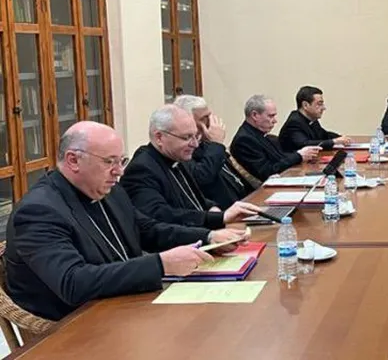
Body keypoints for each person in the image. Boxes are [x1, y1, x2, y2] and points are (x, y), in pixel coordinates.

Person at [4, 121, 247, 321]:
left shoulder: (108, 190)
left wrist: (209, 237)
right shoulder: (38, 211)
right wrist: (161, 264)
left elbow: (146, 229)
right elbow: (73, 282)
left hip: (126, 303)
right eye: (109, 161)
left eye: (121, 161)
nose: (119, 171)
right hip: (76, 327)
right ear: (73, 160)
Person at [121, 105, 261, 228]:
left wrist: (212, 207)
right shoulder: (142, 169)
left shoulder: (177, 157)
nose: (194, 144)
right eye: (186, 137)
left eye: (196, 136)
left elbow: (192, 198)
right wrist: (216, 218)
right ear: (159, 137)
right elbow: (161, 215)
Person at [172, 95, 253, 209]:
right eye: (204, 118)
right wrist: (216, 144)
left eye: (209, 116)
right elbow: (201, 177)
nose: (211, 122)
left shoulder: (205, 143)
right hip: (222, 211)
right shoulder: (182, 148)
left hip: (244, 202)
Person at [231, 95, 321, 181]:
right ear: (255, 115)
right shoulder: (244, 140)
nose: (275, 121)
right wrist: (299, 156)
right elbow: (267, 171)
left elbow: (280, 158)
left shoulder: (260, 134)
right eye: (271, 116)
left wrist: (302, 155)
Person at [279, 86, 350, 151]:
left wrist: (340, 137)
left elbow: (324, 135)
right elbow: (304, 144)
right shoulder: (294, 122)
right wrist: (334, 141)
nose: (323, 108)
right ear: (305, 105)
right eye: (319, 104)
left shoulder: (311, 118)